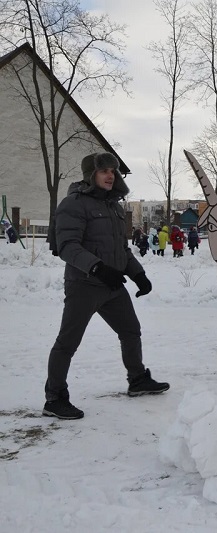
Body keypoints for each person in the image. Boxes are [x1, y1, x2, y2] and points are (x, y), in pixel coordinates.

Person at [42, 152, 168, 420]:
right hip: (84, 285)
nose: (111, 175)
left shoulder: (113, 207)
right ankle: (54, 398)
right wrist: (98, 268)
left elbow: (121, 248)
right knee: (68, 342)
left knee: (131, 330)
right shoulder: (73, 204)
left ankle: (137, 379)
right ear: (91, 175)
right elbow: (68, 247)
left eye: (113, 170)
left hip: (111, 285)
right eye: (104, 171)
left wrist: (138, 274)